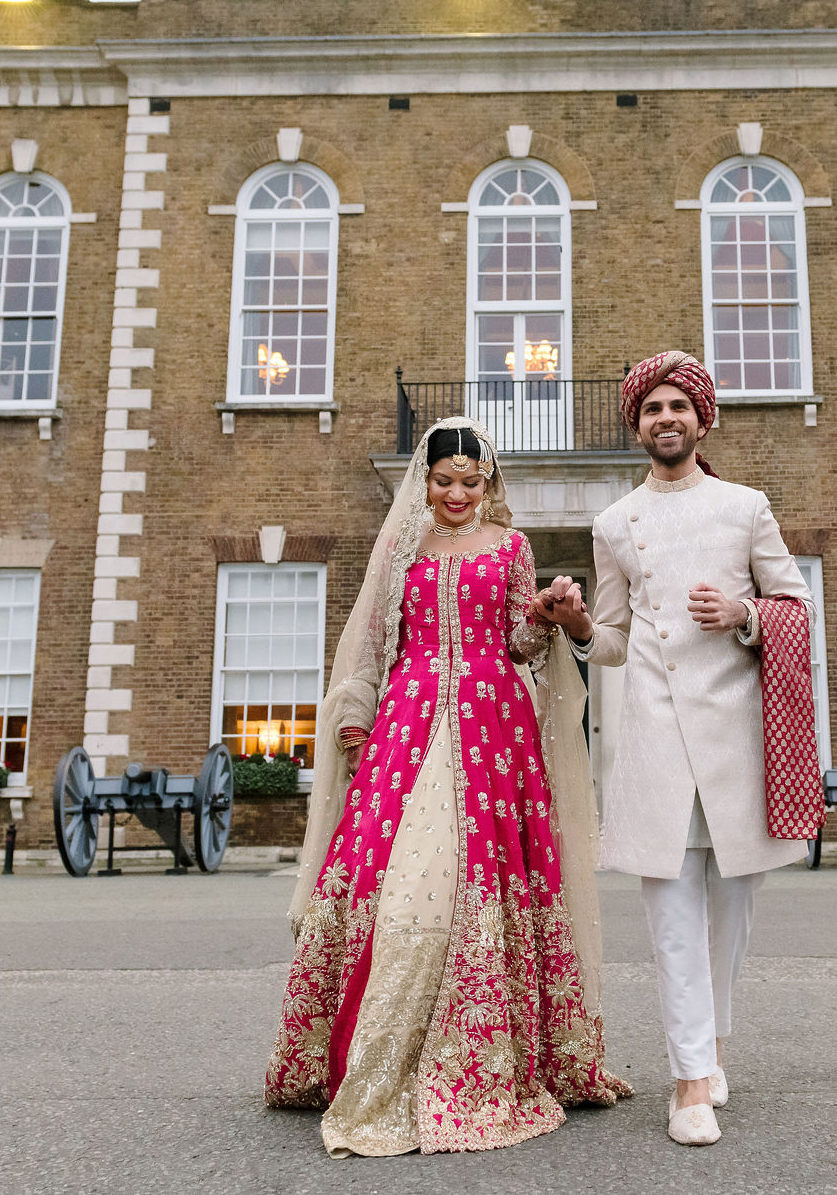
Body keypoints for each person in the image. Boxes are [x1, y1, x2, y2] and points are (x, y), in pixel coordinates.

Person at [265, 416, 631, 1157]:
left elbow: (520, 646)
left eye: (471, 480)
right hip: (408, 719)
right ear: (424, 484)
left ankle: (476, 1055)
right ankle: (369, 1058)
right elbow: (373, 641)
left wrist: (544, 618)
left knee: (471, 875)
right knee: (401, 879)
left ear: (487, 482)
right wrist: (357, 717)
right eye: (444, 480)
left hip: (494, 729)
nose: (458, 492)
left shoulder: (513, 548)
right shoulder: (402, 548)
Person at [533, 351, 813, 1147]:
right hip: (656, 739)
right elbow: (614, 640)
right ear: (637, 423)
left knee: (731, 910)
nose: (665, 418)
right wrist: (578, 622)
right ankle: (689, 1077)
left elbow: (796, 604)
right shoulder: (615, 523)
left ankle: (712, 1042)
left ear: (702, 418)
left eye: (677, 406)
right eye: (651, 407)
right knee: (671, 918)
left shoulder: (745, 507)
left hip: (736, 740)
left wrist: (744, 612)